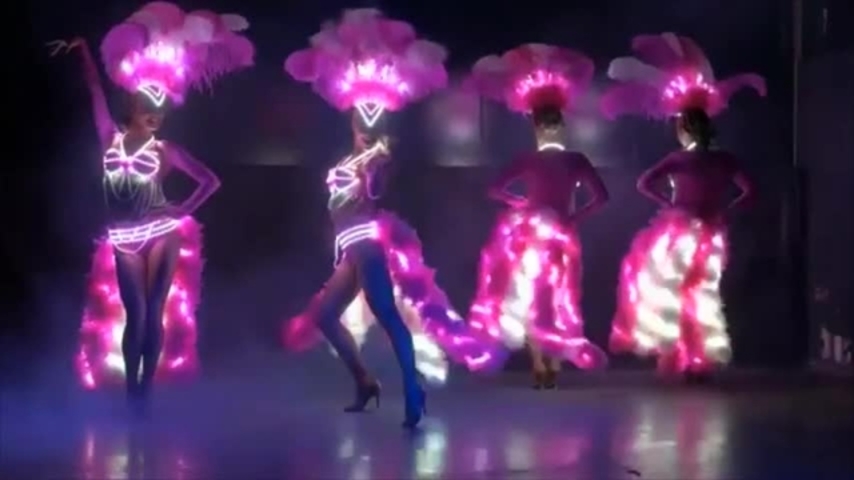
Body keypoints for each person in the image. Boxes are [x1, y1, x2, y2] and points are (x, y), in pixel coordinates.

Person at [282, 8, 501, 429]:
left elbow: (376, 192)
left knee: (386, 314)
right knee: (325, 317)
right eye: (360, 117)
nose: (366, 123)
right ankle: (365, 382)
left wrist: (375, 168)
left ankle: (413, 390)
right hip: (348, 247)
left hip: (366, 243)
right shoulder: (345, 159)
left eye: (375, 118)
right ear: (351, 121)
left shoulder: (376, 160)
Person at [48, 2, 254, 413]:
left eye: (160, 110)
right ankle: (133, 392)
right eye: (149, 108)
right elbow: (95, 92)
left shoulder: (166, 150)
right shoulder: (110, 137)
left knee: (154, 311)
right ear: (134, 106)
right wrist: (84, 50)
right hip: (123, 237)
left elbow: (210, 180)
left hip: (160, 233)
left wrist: (183, 209)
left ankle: (144, 390)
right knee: (136, 314)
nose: (156, 115)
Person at [601, 32, 764, 381]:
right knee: (701, 294)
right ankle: (698, 361)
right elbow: (750, 192)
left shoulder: (678, 159)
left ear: (684, 129)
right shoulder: (725, 160)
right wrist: (725, 210)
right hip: (712, 232)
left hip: (681, 230)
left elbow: (643, 183)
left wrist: (669, 203)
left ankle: (683, 357)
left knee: (672, 293)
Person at [466, 44, 610, 389]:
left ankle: (542, 366)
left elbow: (494, 189)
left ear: (537, 127)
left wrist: (520, 204)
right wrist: (574, 217)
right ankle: (548, 366)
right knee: (553, 297)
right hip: (558, 234)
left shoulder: (532, 159)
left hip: (535, 234)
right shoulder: (574, 160)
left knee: (538, 296)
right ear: (560, 126)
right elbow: (601, 197)